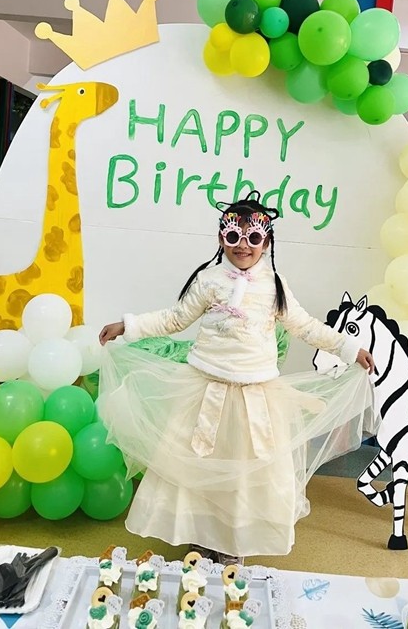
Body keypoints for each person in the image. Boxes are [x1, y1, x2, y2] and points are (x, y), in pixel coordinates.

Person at [98, 191, 375, 564]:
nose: (243, 245)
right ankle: (200, 534)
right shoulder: (209, 280)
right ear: (221, 238)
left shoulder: (274, 285)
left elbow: (305, 326)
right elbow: (174, 319)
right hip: (204, 388)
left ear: (266, 242)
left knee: (244, 473)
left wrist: (348, 348)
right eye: (233, 236)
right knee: (198, 467)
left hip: (256, 395)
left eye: (254, 237)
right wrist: (127, 326)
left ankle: (233, 542)